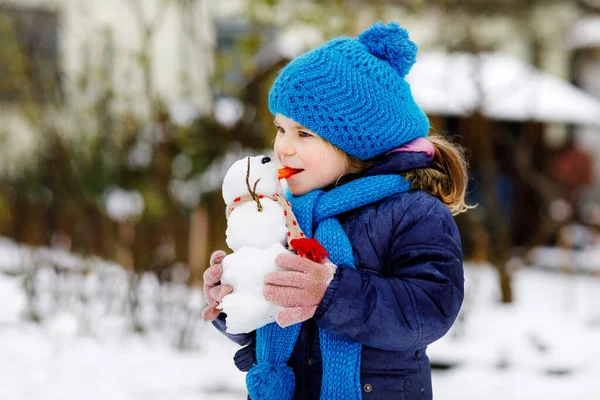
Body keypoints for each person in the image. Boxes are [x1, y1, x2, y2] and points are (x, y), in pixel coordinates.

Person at [202, 21, 467, 400]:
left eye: (304, 134)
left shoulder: (413, 213)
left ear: (357, 143)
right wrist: (234, 298)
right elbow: (275, 319)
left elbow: (429, 310)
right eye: (280, 129)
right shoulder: (285, 214)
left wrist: (332, 292)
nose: (283, 148)